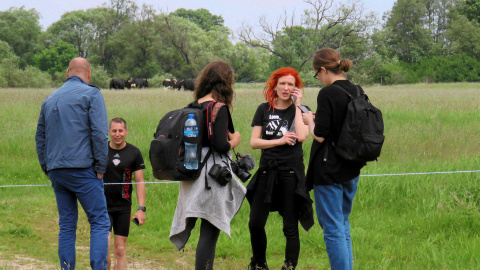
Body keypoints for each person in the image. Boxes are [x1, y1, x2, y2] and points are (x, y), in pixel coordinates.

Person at [169, 60, 247, 270]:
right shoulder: (218, 108)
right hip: (212, 175)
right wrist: (236, 140)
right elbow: (221, 145)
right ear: (225, 83)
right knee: (210, 230)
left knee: (200, 225)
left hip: (191, 171)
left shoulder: (191, 107)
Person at [35, 57, 110, 270]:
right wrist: (101, 167)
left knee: (67, 225)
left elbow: (40, 137)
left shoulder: (49, 99)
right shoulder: (92, 94)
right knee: (99, 221)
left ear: (67, 73)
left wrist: (47, 167)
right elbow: (98, 132)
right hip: (83, 168)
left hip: (57, 170)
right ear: (89, 74)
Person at [301, 48, 365, 270]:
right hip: (352, 167)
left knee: (332, 229)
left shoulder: (327, 93)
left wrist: (309, 120)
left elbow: (320, 135)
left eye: (317, 74)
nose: (318, 78)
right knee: (343, 224)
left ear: (323, 69)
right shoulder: (357, 90)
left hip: (329, 170)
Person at [247, 67, 314, 270]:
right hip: (267, 170)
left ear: (297, 89)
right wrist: (280, 140)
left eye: (291, 85)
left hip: (291, 173)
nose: (286, 88)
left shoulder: (302, 110)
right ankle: (259, 264)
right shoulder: (263, 109)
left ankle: (289, 265)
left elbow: (301, 136)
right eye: (282, 84)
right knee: (256, 223)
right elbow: (254, 142)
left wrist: (298, 105)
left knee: (290, 226)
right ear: (274, 86)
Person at [103, 118, 146, 270]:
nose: (117, 134)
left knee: (120, 250)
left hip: (123, 207)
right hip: (102, 206)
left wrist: (141, 209)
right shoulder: (101, 150)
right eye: (114, 131)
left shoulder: (134, 152)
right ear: (109, 132)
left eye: (120, 131)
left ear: (126, 132)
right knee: (103, 247)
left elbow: (139, 181)